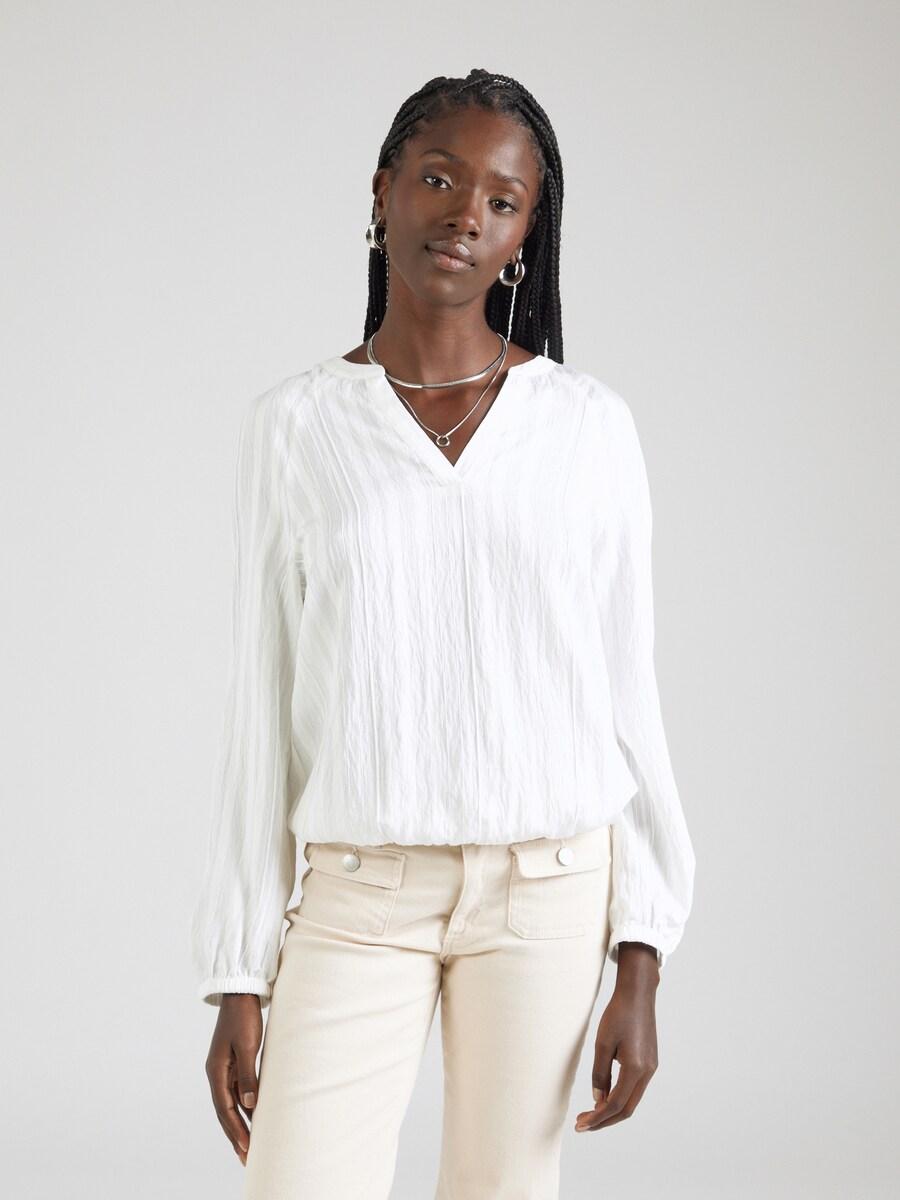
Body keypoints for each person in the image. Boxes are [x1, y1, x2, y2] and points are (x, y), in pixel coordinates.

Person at [190, 68, 696, 1199]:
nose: (467, 214)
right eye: (438, 180)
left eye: (503, 201)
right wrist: (238, 969)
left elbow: (626, 694)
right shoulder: (295, 427)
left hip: (548, 892)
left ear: (523, 238)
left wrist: (643, 951)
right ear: (382, 192)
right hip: (361, 892)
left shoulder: (587, 427)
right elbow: (261, 702)